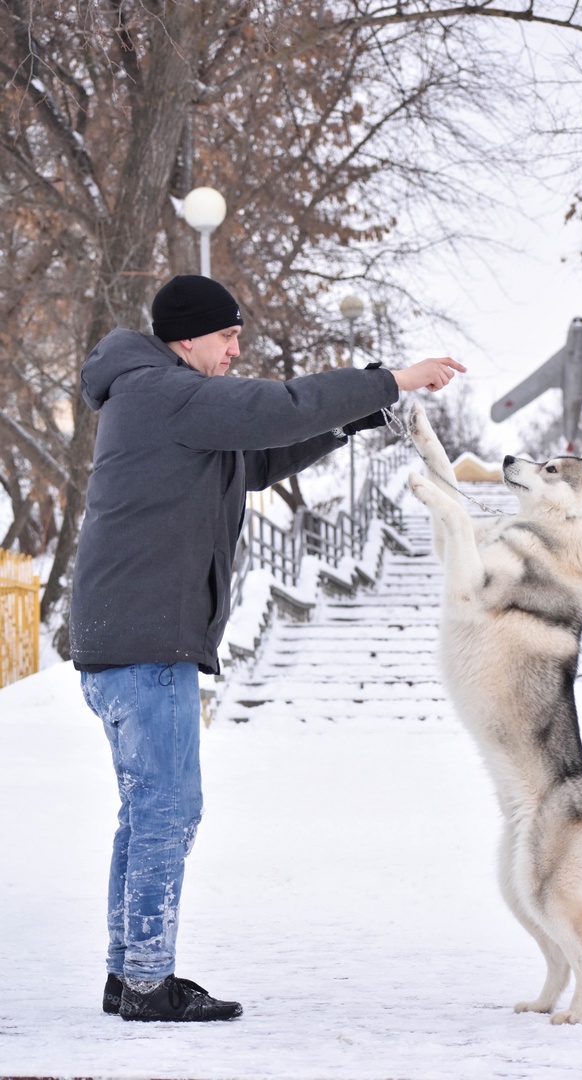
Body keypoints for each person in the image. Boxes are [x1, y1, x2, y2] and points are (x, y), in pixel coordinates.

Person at [69, 274, 465, 1023]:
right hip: (146, 642)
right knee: (168, 810)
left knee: (145, 811)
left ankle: (131, 974)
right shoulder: (163, 392)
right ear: (187, 339)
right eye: (226, 337)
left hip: (124, 637)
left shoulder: (156, 400)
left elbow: (254, 458)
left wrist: (354, 420)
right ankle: (148, 981)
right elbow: (277, 406)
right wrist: (395, 377)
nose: (236, 349)